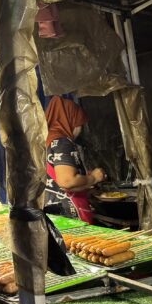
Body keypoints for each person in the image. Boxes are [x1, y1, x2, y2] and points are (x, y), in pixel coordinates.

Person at [44, 95, 106, 223]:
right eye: (80, 123)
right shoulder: (61, 142)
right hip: (68, 217)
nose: (80, 129)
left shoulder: (43, 141)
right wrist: (94, 177)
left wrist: (85, 183)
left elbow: (55, 181)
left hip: (50, 213)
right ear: (70, 119)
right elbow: (67, 181)